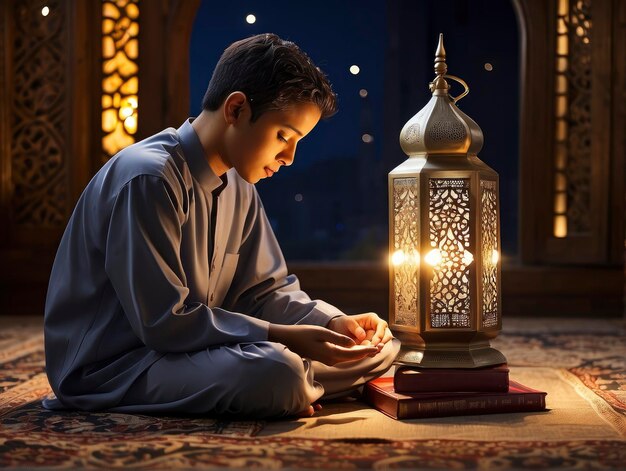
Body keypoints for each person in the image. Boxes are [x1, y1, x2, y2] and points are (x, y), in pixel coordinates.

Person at [43, 33, 400, 419]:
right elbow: (164, 323)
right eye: (284, 136)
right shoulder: (148, 179)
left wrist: (332, 323)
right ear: (236, 109)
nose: (290, 157)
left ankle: (292, 386)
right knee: (277, 370)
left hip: (194, 352)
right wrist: (282, 338)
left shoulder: (240, 186)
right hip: (121, 363)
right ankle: (286, 384)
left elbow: (265, 292)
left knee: (382, 348)